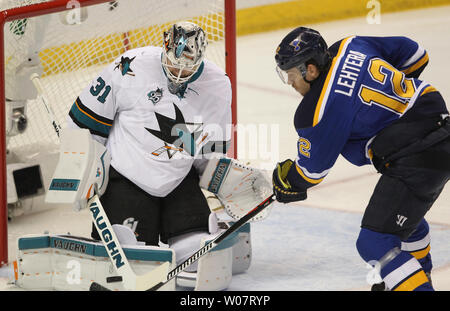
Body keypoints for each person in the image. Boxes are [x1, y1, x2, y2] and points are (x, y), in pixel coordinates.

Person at [272, 27, 450, 291]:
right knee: (407, 224)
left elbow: (311, 173)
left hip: (416, 157)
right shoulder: (349, 44)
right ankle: (410, 282)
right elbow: (417, 55)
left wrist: (287, 180)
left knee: (374, 242)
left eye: (291, 74)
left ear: (310, 70)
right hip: (441, 125)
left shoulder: (315, 111)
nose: (289, 82)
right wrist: (392, 100)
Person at [66, 21, 232, 274]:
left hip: (179, 179)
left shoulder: (218, 84)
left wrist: (221, 182)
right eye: (173, 64)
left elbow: (210, 148)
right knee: (132, 263)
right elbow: (85, 118)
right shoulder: (130, 66)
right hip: (127, 177)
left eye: (187, 69)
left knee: (200, 259)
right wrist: (82, 168)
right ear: (163, 50)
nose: (178, 73)